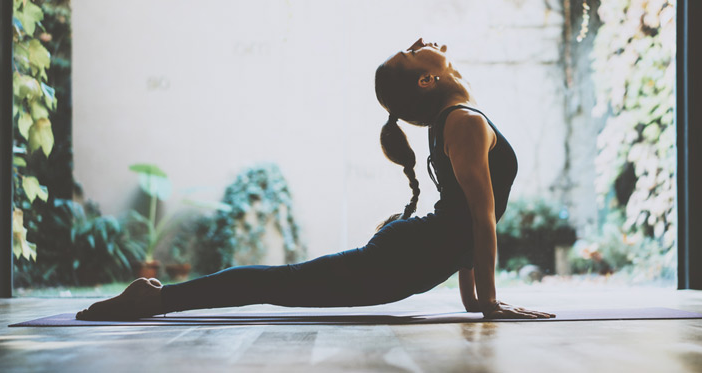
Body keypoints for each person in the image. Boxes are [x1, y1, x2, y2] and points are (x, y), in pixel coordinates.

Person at [76, 38, 555, 321]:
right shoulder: (463, 121)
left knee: (285, 283)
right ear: (426, 80)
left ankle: (157, 298)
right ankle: (156, 297)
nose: (425, 44)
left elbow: (464, 220)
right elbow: (478, 216)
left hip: (413, 256)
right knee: (282, 283)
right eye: (413, 52)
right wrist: (487, 302)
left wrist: (475, 300)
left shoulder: (454, 120)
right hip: (406, 258)